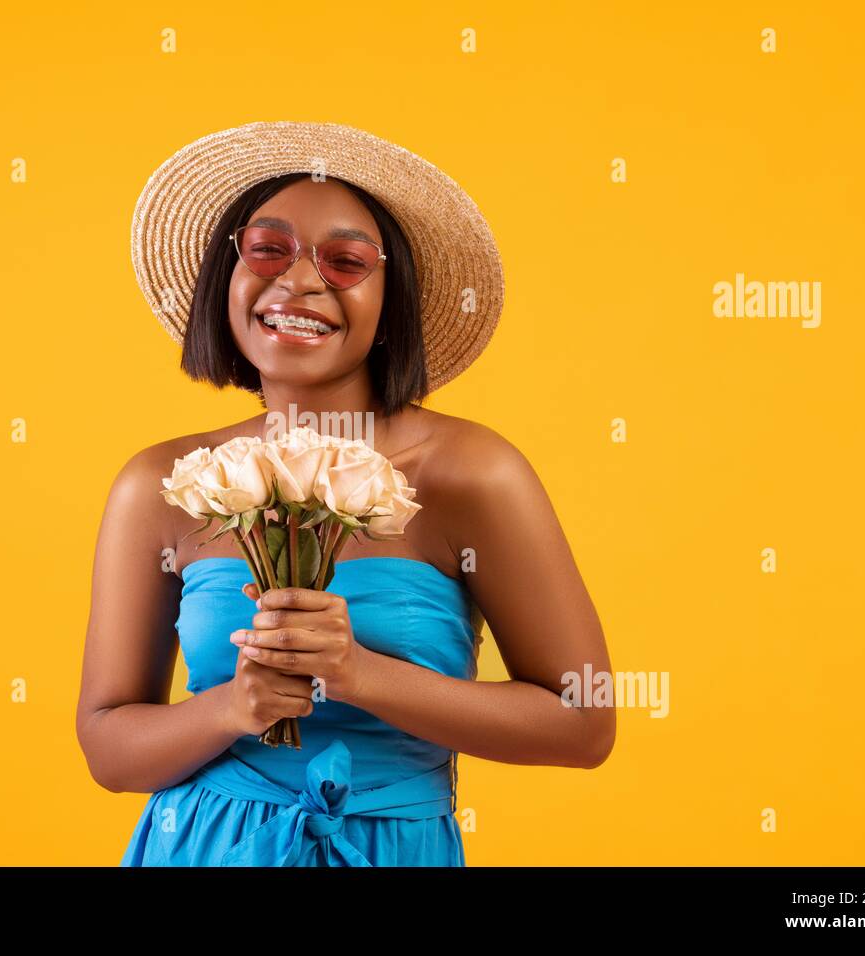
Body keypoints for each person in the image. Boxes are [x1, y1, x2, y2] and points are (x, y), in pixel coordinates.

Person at [76, 121, 614, 866]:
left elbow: (584, 724)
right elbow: (109, 751)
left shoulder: (471, 473)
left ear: (393, 303)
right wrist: (233, 706)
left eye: (345, 261)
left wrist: (359, 673)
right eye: (267, 249)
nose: (298, 282)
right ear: (224, 281)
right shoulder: (162, 483)